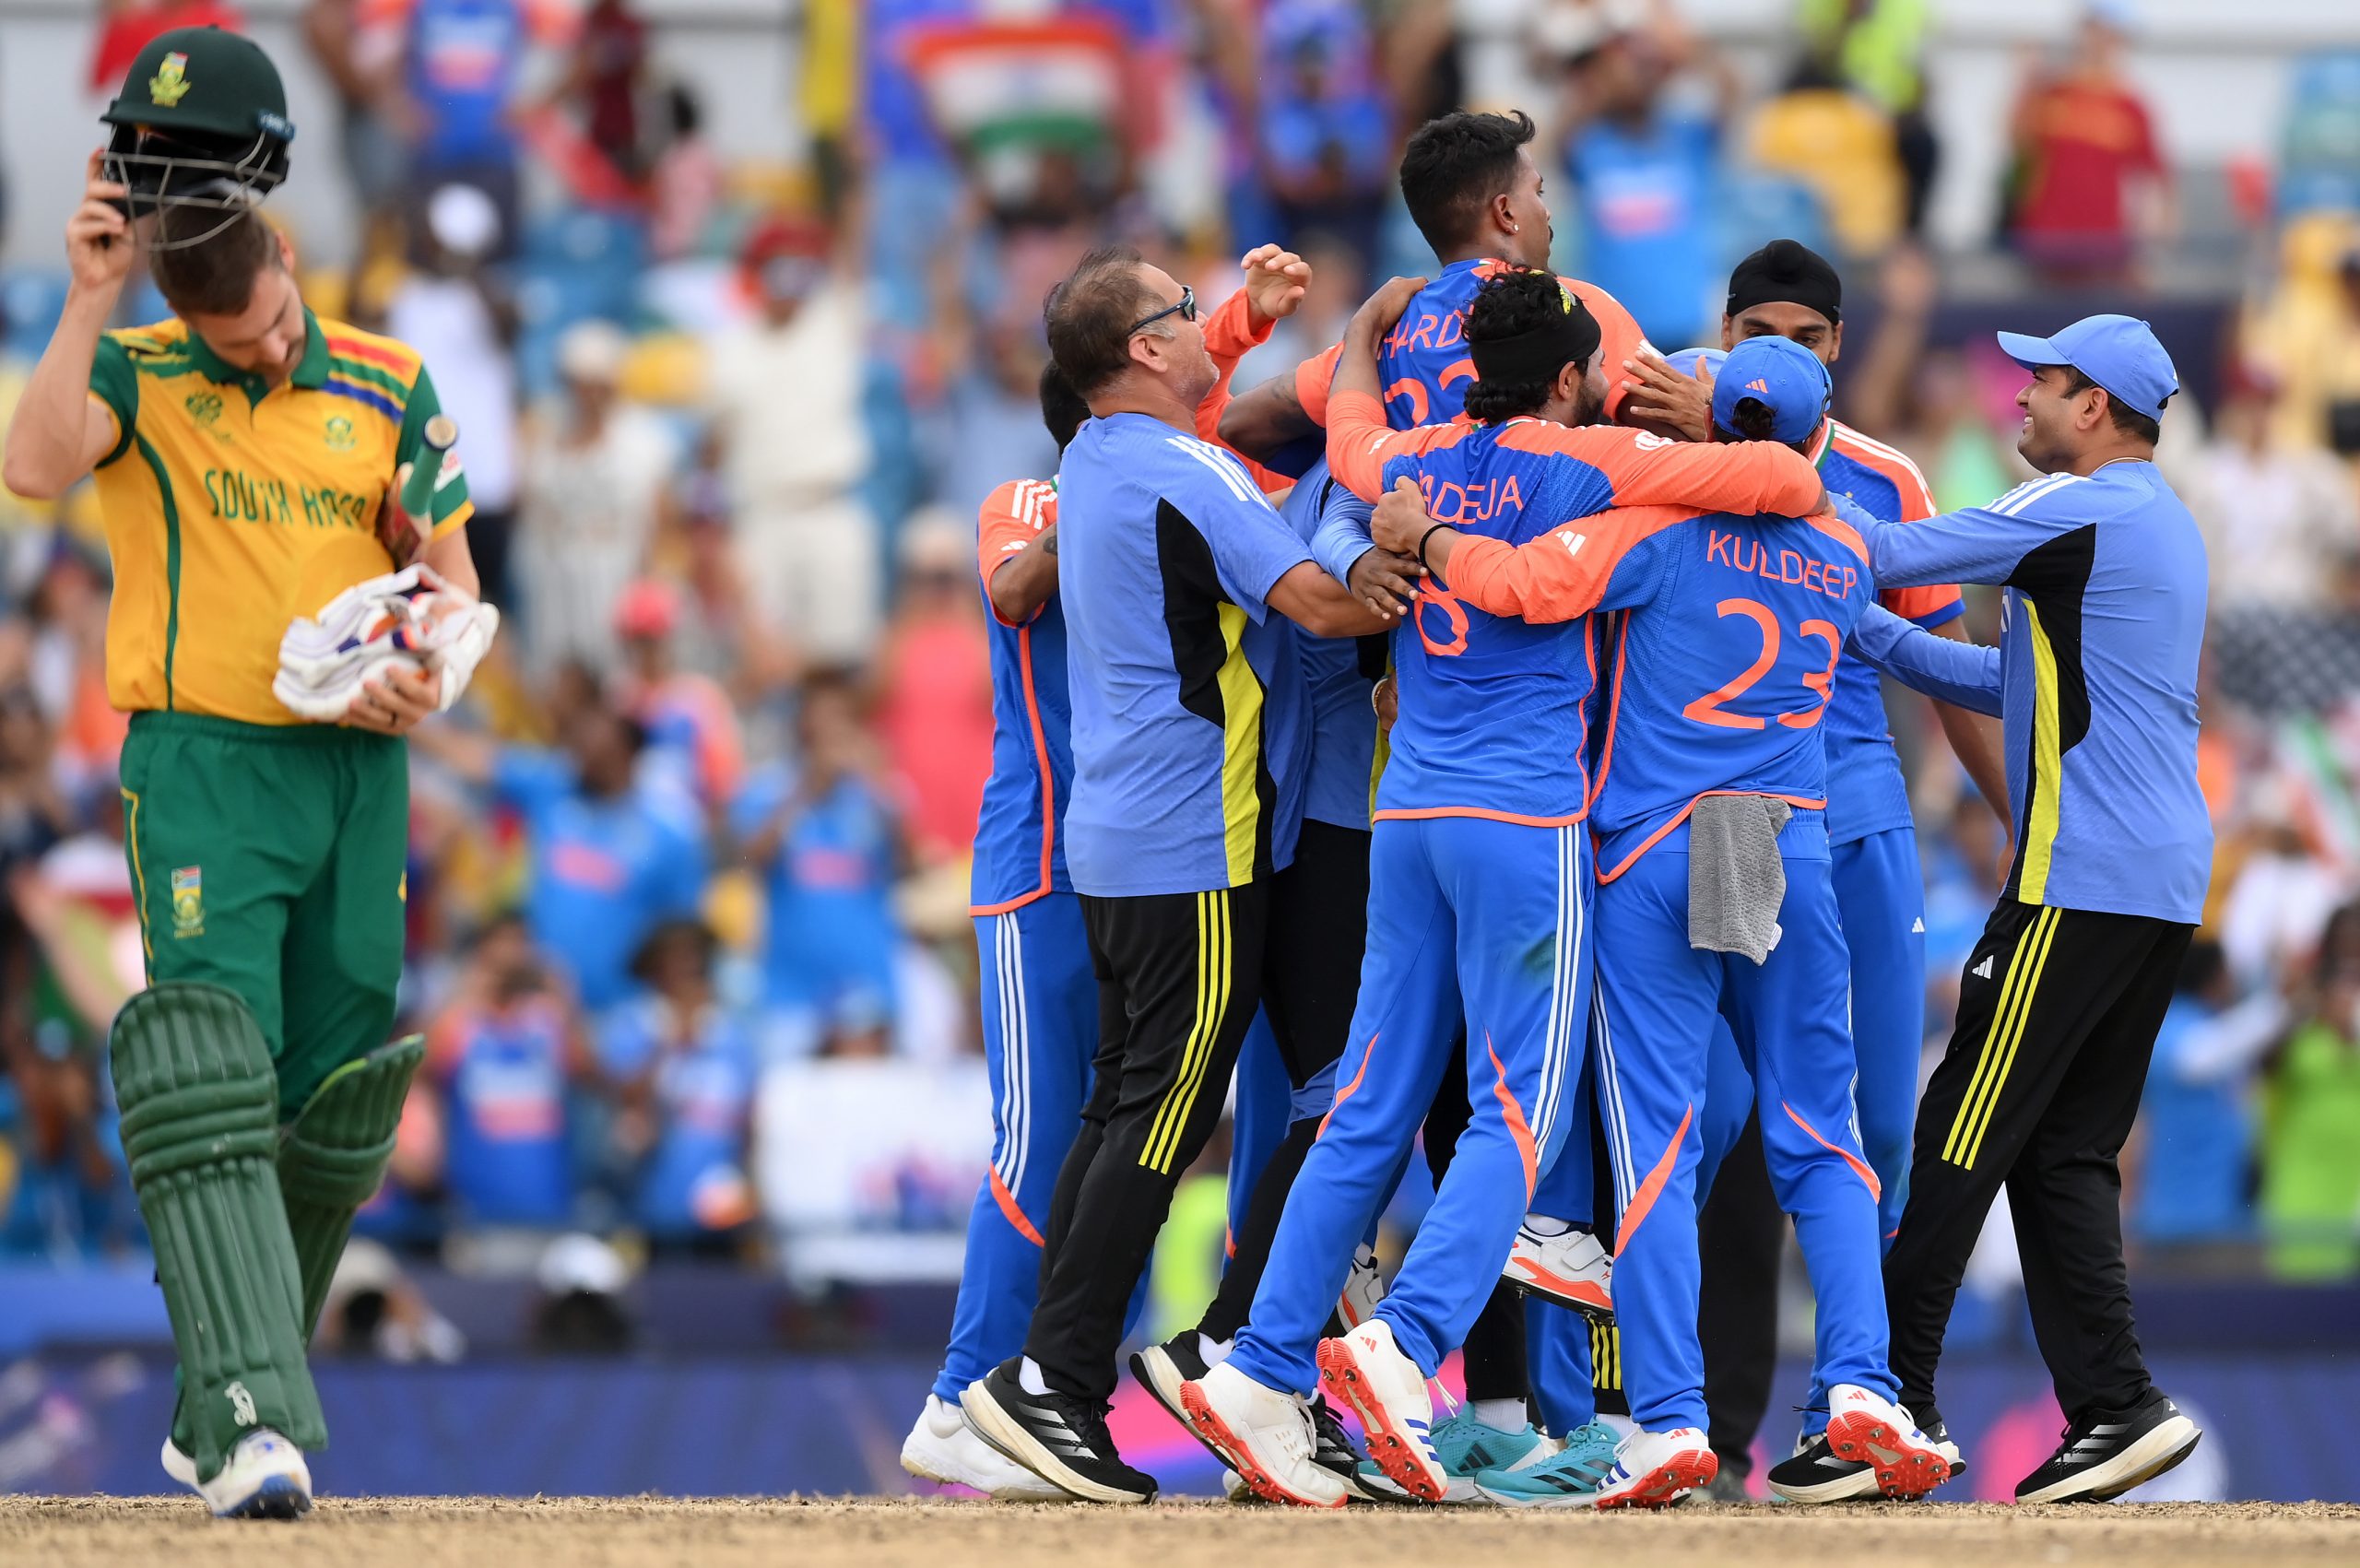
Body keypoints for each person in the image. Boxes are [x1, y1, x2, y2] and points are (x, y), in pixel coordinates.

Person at [1175, 266, 1829, 1511]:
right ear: (1575, 376)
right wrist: (1694, 422)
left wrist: (1365, 348)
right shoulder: (1593, 466)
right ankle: (1403, 1342)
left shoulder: (1412, 455)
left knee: (1368, 1100)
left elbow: (1352, 440)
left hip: (1406, 809)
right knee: (1521, 1118)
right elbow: (1789, 483)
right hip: (1532, 822)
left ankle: (1260, 1365)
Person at [0, 29, 484, 1518]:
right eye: (236, 345)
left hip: (358, 765)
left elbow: (456, 585)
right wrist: (87, 297)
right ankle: (255, 1418)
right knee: (214, 1064)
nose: (264, 353)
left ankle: (217, 1396)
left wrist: (430, 669)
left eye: (273, 323)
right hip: (203, 764)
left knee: (336, 1092)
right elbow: (30, 466)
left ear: (289, 261)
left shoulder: (389, 380)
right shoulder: (142, 373)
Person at [956, 244, 1394, 1504]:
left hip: (1119, 837)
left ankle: (1046, 1375)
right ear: (1145, 349)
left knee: (1126, 1106)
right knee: (1161, 1118)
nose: (1206, 328)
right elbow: (1315, 602)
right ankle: (1053, 1382)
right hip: (1197, 842)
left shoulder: (1093, 458)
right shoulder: (1187, 466)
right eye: (1188, 311)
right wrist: (1415, 564)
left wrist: (1253, 318)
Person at [1616, 238, 2009, 1500]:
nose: (1781, 346)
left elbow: (1932, 668)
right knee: (1740, 1125)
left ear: (1837, 349)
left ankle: (1860, 1403)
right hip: (1737, 827)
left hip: (1853, 830)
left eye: (1807, 330)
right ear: (1722, 334)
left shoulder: (1882, 480)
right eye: (1758, 327)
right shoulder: (1666, 430)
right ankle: (1721, 1420)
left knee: (1876, 1125)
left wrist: (2015, 829)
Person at [1840, 312, 2211, 1503]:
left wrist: (1759, 477)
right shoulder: (2157, 524)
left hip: (2079, 879)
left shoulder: (2081, 509)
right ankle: (2116, 1403)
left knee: (1961, 1126)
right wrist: (1860, 630)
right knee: (2063, 1152)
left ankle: (1886, 1397)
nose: (2021, 401)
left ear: (2095, 407)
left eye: (2041, 384)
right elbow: (1992, 679)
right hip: (2152, 888)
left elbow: (1887, 549)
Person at [703, 218, 878, 669]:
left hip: (830, 505)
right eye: (778, 270)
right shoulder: (730, 345)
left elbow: (852, 250)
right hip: (761, 514)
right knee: (765, 658)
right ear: (758, 275)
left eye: (799, 270)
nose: (789, 284)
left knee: (840, 659)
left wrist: (847, 173)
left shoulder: (831, 320)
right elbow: (713, 446)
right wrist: (713, 536)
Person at [730, 674, 902, 1062]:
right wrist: (807, 790)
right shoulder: (769, 789)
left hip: (867, 991)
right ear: (802, 724)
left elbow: (909, 863)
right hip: (790, 995)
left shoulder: (874, 791)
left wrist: (874, 784)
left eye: (841, 719)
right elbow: (745, 863)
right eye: (821, 718)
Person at [514, 321, 677, 679]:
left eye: (597, 385)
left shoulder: (645, 440)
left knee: (615, 676)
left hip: (616, 576)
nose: (588, 396)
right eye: (579, 384)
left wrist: (650, 585)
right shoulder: (545, 430)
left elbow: (661, 518)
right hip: (554, 579)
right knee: (554, 675)